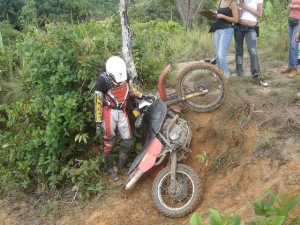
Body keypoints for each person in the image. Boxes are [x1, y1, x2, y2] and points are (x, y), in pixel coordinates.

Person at [94, 56, 143, 181]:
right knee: (108, 142)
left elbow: (130, 90)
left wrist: (143, 96)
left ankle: (121, 166)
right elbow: (98, 102)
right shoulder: (102, 80)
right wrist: (98, 122)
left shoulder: (124, 74)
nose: (119, 83)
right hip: (108, 112)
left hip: (122, 111)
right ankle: (110, 170)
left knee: (128, 142)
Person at [234, 0, 268, 87]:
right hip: (238, 27)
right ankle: (240, 74)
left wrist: (246, 7)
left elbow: (260, 15)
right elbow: (238, 16)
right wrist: (240, 8)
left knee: (252, 50)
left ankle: (256, 75)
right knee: (238, 51)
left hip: (251, 28)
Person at [212, 0, 239, 78]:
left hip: (227, 30)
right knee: (217, 54)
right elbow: (218, 15)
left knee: (221, 55)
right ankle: (219, 74)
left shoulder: (232, 3)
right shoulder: (220, 2)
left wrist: (223, 16)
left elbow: (236, 20)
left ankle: (225, 75)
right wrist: (214, 16)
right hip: (217, 29)